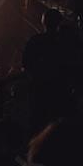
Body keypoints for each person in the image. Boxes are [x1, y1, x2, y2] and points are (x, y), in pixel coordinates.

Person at [22, 8, 75, 136]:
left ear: (43, 22)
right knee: (58, 129)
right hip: (60, 91)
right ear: (59, 22)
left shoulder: (34, 41)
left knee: (36, 127)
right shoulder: (66, 43)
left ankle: (35, 152)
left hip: (39, 91)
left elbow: (26, 64)